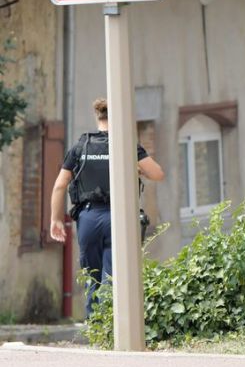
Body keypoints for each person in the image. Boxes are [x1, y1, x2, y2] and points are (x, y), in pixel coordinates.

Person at [49, 98, 164, 316]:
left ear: (98, 117)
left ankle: (96, 328)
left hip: (88, 218)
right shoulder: (127, 146)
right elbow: (158, 174)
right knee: (114, 276)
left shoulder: (80, 147)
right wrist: (137, 169)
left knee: (92, 278)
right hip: (117, 217)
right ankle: (113, 330)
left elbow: (59, 186)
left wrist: (55, 219)